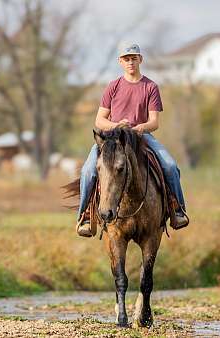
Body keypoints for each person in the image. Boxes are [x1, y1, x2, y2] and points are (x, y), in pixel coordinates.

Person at [76, 42, 188, 237]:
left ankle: (176, 209)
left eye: (134, 58)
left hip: (141, 136)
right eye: (126, 59)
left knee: (170, 165)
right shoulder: (113, 86)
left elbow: (154, 122)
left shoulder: (150, 87)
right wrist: (117, 125)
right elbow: (99, 120)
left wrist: (140, 127)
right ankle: (86, 215)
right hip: (112, 139)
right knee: (87, 170)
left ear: (140, 60)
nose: (130, 62)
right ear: (120, 61)